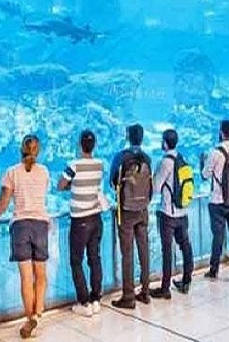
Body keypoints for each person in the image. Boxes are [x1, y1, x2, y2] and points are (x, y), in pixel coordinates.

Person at [0, 135, 50, 336]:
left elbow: (4, 201)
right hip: (41, 224)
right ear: (38, 151)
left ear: (20, 150)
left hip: (20, 226)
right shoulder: (44, 172)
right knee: (40, 274)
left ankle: (29, 317)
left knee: (26, 276)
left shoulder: (12, 172)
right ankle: (38, 314)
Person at [58, 129, 106, 317]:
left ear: (79, 145)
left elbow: (60, 185)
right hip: (96, 217)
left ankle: (84, 302)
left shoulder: (74, 165)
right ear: (94, 145)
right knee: (95, 258)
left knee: (76, 261)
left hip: (80, 220)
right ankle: (96, 299)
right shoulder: (99, 164)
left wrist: (74, 185)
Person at [110, 124, 154, 306]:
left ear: (128, 137)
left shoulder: (121, 157)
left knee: (127, 253)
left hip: (126, 211)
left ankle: (128, 296)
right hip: (143, 209)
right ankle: (145, 291)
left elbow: (113, 182)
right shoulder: (147, 158)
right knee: (144, 250)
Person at [200, 119, 229, 282]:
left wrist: (202, 163)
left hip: (217, 201)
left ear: (221, 132)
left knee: (218, 237)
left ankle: (214, 270)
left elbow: (205, 175)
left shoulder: (215, 152)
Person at [150, 129, 195, 299]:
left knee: (167, 250)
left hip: (168, 213)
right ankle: (186, 280)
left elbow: (156, 187)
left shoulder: (165, 162)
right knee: (185, 246)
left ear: (165, 143)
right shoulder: (182, 159)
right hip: (183, 212)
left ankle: (165, 288)